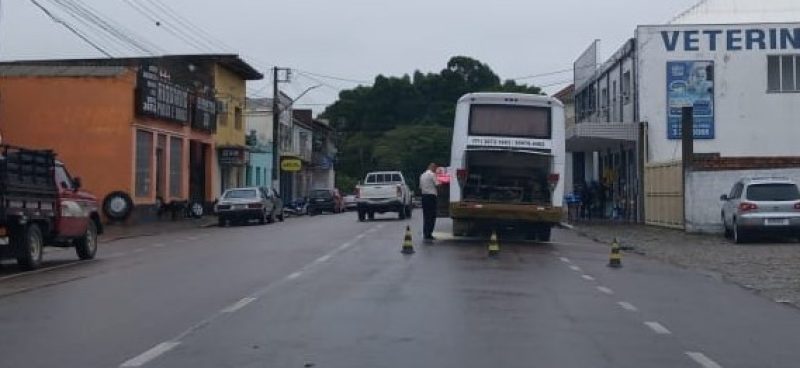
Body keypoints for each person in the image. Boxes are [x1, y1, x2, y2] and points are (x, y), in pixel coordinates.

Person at [419, 163, 439, 241]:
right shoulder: (432, 175)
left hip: (424, 196)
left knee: (426, 215)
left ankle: (425, 233)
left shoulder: (422, 175)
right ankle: (429, 233)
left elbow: (420, 187)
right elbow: (437, 184)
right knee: (432, 216)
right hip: (431, 196)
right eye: (435, 168)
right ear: (432, 167)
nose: (435, 170)